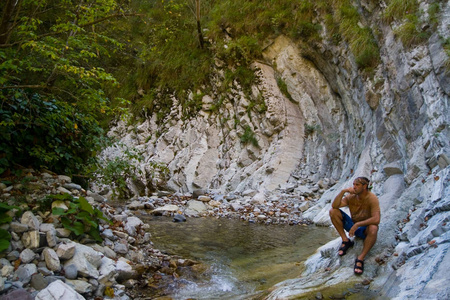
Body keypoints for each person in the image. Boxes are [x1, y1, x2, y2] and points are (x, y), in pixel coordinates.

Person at [329, 176, 380, 275]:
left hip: (364, 228)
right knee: (333, 212)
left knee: (373, 228)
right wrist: (343, 191)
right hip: (352, 224)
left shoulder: (372, 198)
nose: (354, 187)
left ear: (365, 186)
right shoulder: (351, 196)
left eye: (357, 185)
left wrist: (358, 224)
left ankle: (360, 258)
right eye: (353, 184)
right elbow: (335, 206)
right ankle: (345, 240)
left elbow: (376, 219)